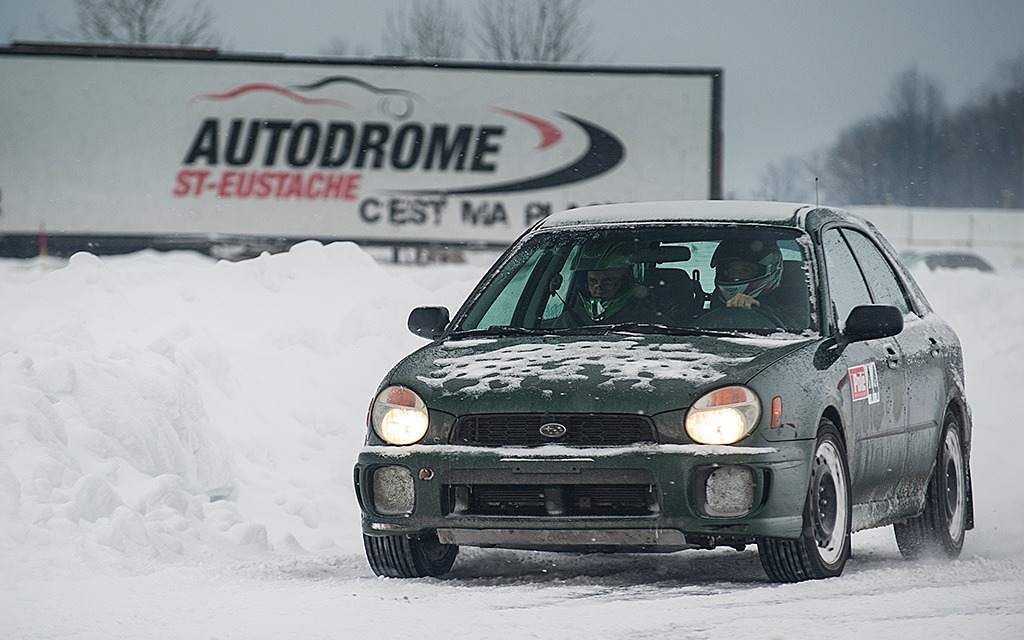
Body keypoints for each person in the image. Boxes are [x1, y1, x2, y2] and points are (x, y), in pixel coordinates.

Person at [552, 241, 656, 326]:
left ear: (627, 282)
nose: (599, 289)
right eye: (592, 282)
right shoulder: (567, 322)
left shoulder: (652, 324)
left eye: (608, 282)